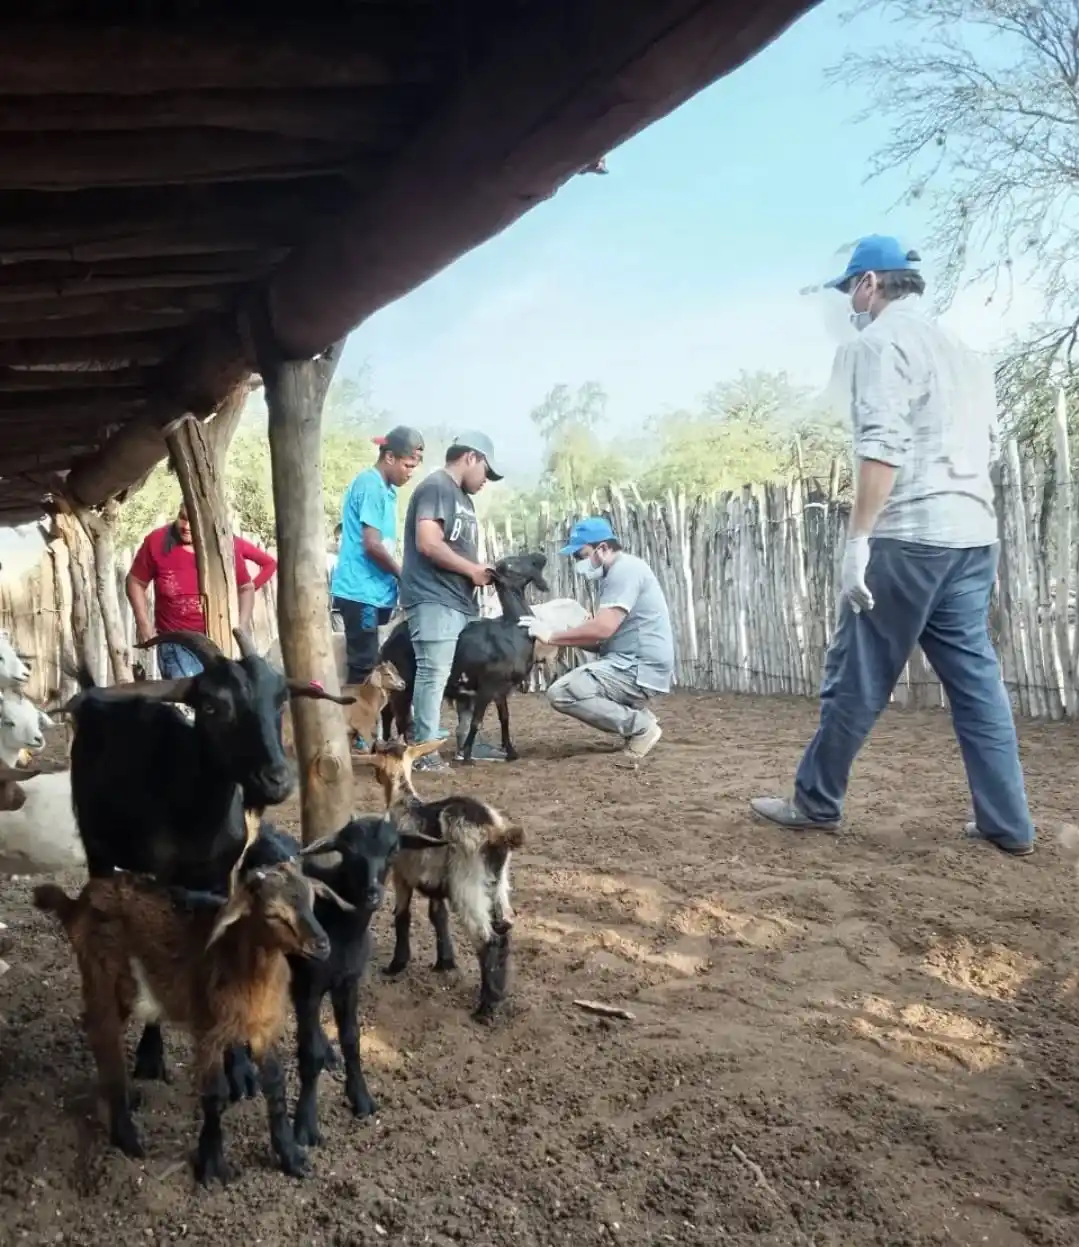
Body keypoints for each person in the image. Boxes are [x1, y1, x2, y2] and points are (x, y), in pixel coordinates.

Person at [750, 234, 1035, 857]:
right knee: (978, 683)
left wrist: (859, 540)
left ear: (871, 284)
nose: (849, 301)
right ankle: (1008, 822)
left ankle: (815, 802)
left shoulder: (878, 344)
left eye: (851, 288)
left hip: (908, 538)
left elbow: (881, 445)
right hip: (972, 536)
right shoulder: (966, 350)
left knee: (857, 676)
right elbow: (986, 448)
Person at [521, 516, 673, 761]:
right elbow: (601, 642)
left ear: (602, 549)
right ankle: (641, 720)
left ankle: (641, 726)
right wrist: (556, 637)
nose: (578, 563)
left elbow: (602, 629)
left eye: (581, 555)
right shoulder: (617, 574)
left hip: (638, 666)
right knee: (580, 681)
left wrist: (551, 635)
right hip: (631, 662)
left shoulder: (624, 571)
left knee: (563, 691)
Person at [399, 430, 503, 772]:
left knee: (466, 675)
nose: (486, 480)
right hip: (433, 598)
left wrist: (477, 572)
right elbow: (428, 542)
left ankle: (467, 742)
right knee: (434, 671)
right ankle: (424, 752)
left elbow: (453, 547)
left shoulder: (463, 498)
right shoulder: (435, 487)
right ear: (471, 457)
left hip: (460, 601)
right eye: (486, 471)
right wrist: (471, 569)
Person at [331, 426, 425, 705]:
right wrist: (402, 574)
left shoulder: (386, 490)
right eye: (408, 465)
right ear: (390, 457)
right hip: (361, 593)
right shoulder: (370, 484)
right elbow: (372, 545)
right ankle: (355, 733)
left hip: (374, 592)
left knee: (372, 663)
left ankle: (363, 732)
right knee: (363, 665)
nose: (410, 472)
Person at [126, 502, 257, 679]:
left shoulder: (224, 546)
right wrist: (143, 622)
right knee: (193, 700)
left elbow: (246, 587)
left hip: (220, 641)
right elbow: (135, 581)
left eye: (192, 521)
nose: (186, 527)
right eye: (182, 518)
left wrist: (241, 626)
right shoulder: (157, 541)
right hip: (177, 643)